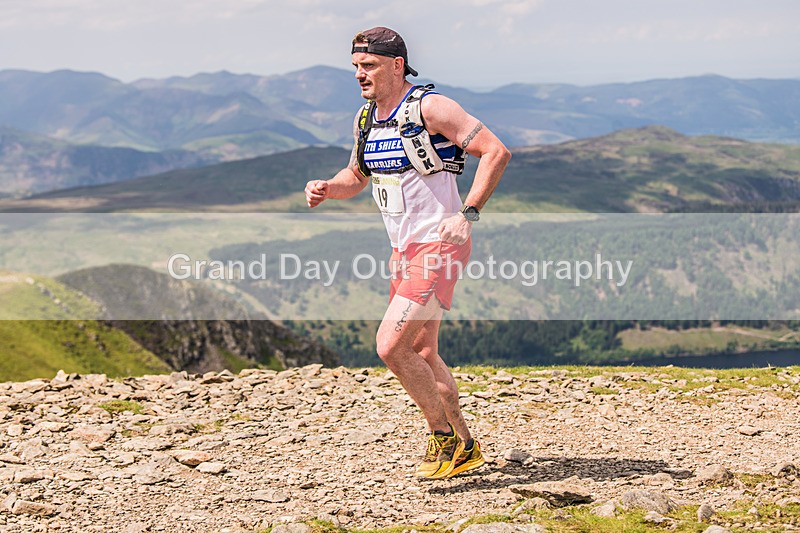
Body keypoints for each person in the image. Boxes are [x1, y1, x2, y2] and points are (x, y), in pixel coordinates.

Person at [305, 27, 511, 479]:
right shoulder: (367, 119)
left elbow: (495, 151)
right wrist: (327, 189)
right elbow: (356, 175)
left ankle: (440, 436)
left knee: (390, 345)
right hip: (402, 250)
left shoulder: (430, 107)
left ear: (397, 65)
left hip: (439, 246)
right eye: (356, 67)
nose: (360, 74)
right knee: (421, 350)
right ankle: (467, 447)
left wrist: (468, 213)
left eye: (370, 66)